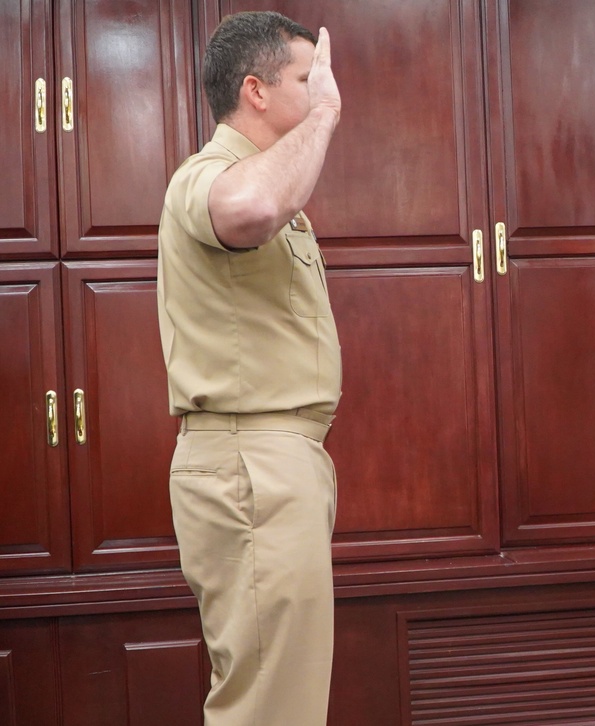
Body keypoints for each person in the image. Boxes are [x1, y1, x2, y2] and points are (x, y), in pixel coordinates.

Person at [156, 11, 342, 725]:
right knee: (270, 710)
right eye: (306, 77)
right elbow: (257, 203)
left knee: (279, 700)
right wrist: (324, 113)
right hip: (251, 464)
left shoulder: (271, 187)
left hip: (275, 462)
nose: (323, 88)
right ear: (256, 91)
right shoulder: (208, 178)